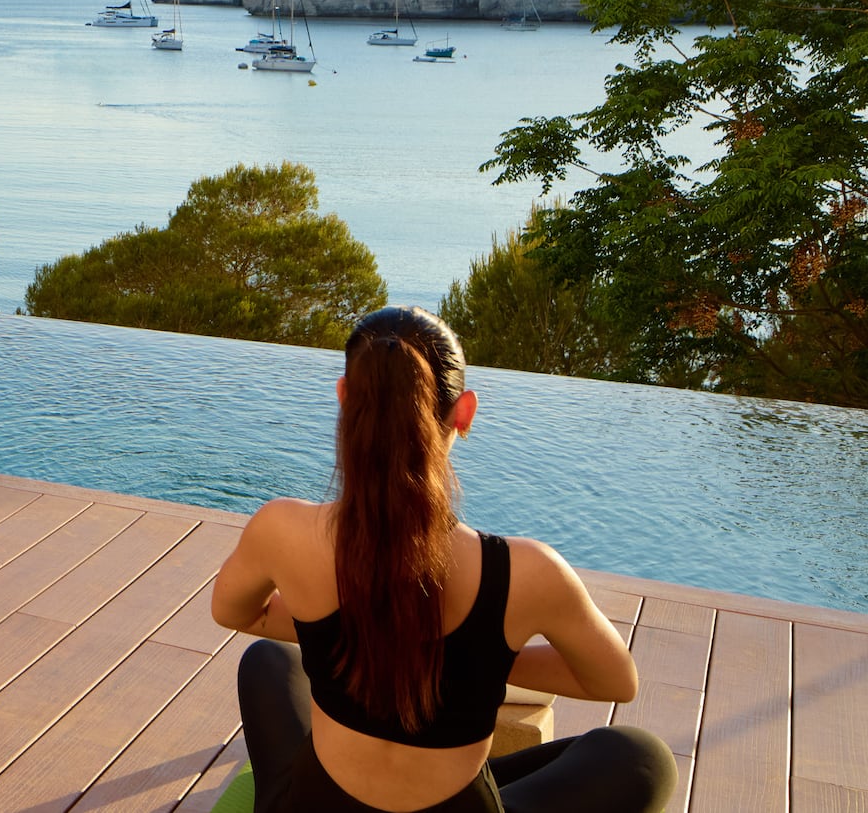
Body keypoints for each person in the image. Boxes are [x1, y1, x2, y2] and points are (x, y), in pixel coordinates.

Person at [210, 306, 676, 813]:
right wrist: (486, 657)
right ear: (465, 412)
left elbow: (234, 612)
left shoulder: (283, 529)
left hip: (315, 806)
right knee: (640, 757)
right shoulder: (527, 571)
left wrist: (353, 639)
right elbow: (615, 682)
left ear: (345, 399)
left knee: (269, 660)